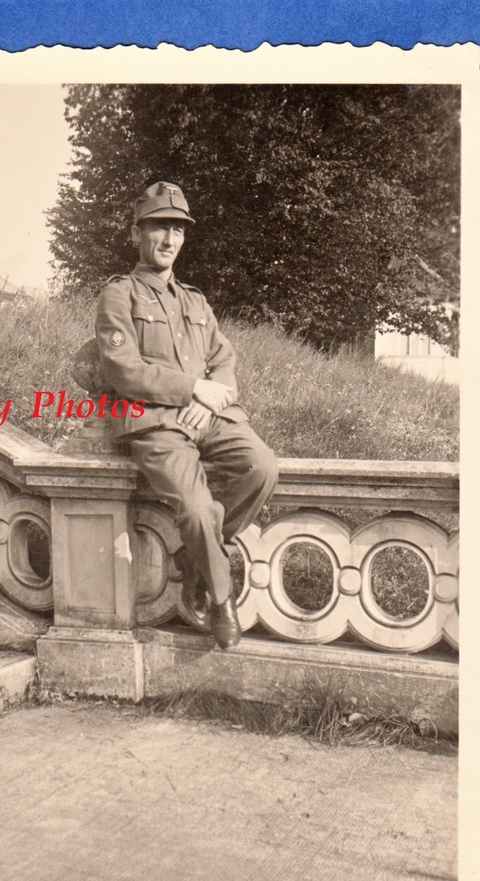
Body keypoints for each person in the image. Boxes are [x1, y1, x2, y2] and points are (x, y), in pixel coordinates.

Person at [95, 181, 279, 649]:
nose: (169, 239)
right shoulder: (119, 295)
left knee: (262, 467)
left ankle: (196, 557)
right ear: (137, 233)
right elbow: (123, 368)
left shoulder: (196, 301)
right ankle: (219, 598)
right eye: (159, 227)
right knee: (196, 509)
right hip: (154, 423)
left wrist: (208, 399)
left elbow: (225, 360)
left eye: (177, 229)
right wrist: (191, 390)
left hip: (208, 418)